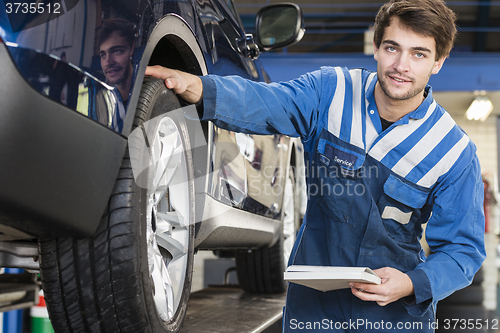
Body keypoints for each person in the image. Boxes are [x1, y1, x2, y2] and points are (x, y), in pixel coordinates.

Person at [145, 0, 486, 331]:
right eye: (392, 48)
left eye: (419, 54)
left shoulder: (452, 151)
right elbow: (268, 102)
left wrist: (411, 284)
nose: (402, 65)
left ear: (438, 62)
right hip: (314, 306)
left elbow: (463, 249)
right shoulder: (332, 92)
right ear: (377, 47)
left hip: (393, 316)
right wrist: (199, 87)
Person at [98, 18, 136, 132]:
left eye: (116, 51)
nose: (108, 62)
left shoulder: (150, 89)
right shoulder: (107, 100)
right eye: (103, 55)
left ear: (131, 48)